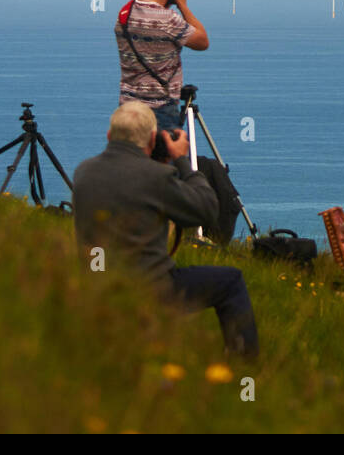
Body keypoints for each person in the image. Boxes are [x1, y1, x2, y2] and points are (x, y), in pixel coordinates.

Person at [72, 101, 258, 358]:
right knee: (231, 282)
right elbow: (206, 210)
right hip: (151, 288)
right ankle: (244, 366)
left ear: (108, 136)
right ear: (151, 139)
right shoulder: (155, 177)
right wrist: (182, 161)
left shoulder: (83, 172)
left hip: (98, 284)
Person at [116, 0, 209, 133]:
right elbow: (202, 41)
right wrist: (182, 4)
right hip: (159, 113)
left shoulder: (124, 15)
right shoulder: (169, 21)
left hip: (127, 111)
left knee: (132, 160)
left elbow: (151, 18)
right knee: (168, 160)